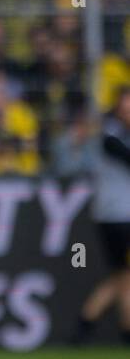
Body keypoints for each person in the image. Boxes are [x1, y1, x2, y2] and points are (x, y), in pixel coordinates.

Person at [73, 88, 130, 345]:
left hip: (115, 215)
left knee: (122, 275)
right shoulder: (109, 134)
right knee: (123, 275)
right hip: (118, 216)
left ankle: (87, 324)